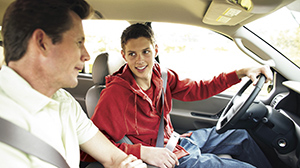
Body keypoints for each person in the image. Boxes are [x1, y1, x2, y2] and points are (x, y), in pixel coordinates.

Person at [80, 23, 273, 168]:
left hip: (177, 140)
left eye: (145, 52)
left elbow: (198, 89)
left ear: (155, 50)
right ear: (124, 55)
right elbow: (92, 148)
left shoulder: (161, 75)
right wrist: (142, 152)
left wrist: (240, 72)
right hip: (165, 158)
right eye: (132, 54)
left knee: (241, 136)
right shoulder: (116, 94)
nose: (139, 60)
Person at [0, 0, 147, 168]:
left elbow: (114, 158)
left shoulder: (64, 101)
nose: (86, 55)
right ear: (42, 43)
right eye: (78, 42)